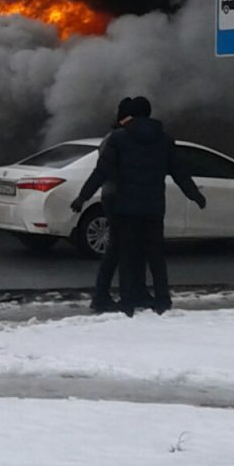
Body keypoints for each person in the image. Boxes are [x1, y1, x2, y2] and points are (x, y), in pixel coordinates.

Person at [71, 96, 206, 316]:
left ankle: (128, 303)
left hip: (125, 207)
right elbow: (180, 172)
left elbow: (101, 171)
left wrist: (82, 197)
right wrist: (195, 195)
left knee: (126, 255)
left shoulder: (118, 139)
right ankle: (163, 301)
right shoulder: (164, 140)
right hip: (153, 207)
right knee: (155, 255)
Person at [90, 97, 134, 313]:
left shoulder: (113, 137)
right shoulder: (116, 139)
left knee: (122, 248)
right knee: (117, 249)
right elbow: (107, 168)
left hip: (117, 195)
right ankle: (101, 296)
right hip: (117, 196)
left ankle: (116, 294)